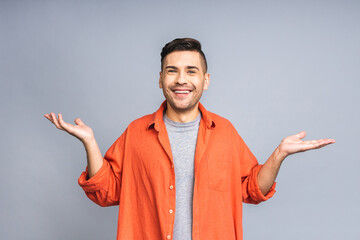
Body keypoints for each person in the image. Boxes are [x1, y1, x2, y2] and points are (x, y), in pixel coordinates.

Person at [44, 38, 335, 240]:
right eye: (172, 71)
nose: (181, 79)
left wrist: (279, 154)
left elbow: (251, 190)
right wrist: (90, 142)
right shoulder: (136, 132)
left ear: (205, 80)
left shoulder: (225, 132)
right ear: (161, 79)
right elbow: (106, 192)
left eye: (191, 71)